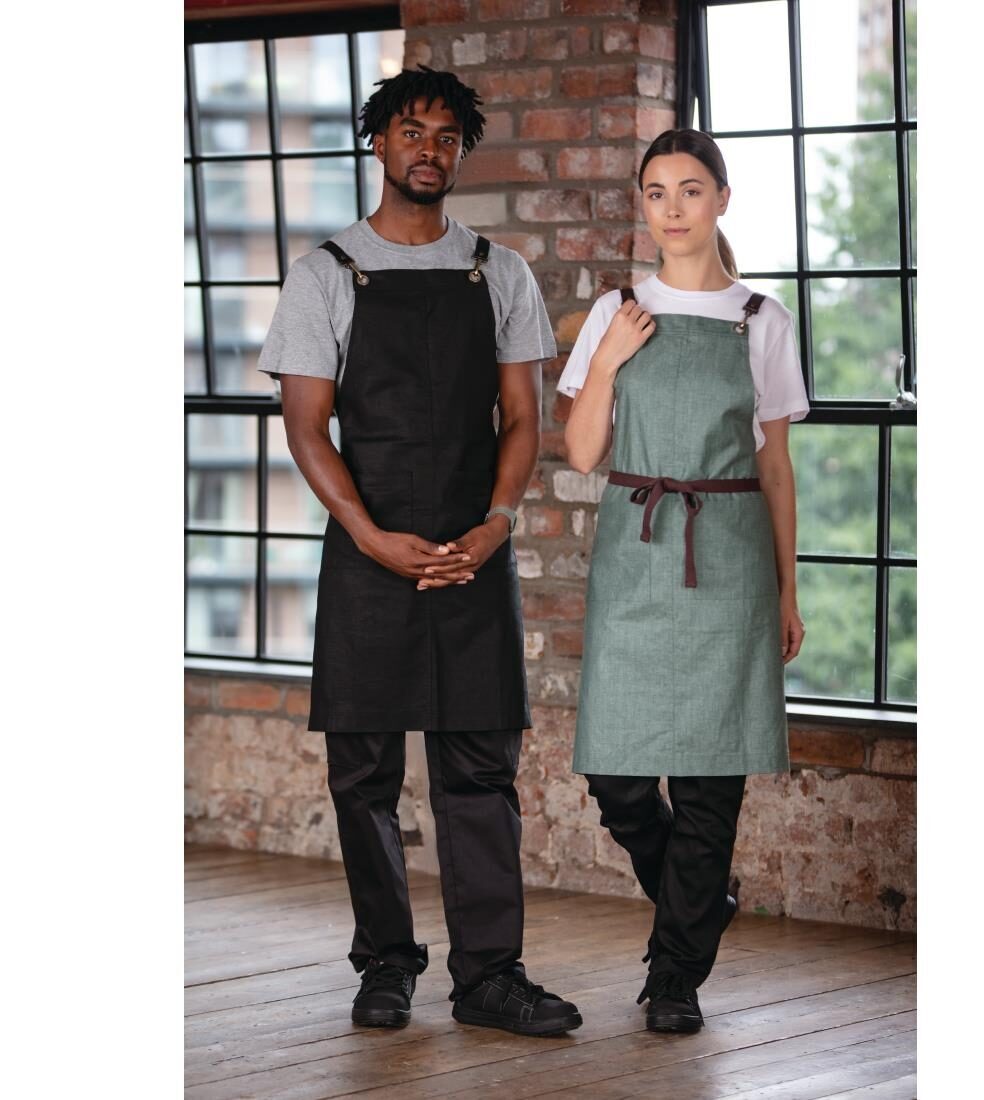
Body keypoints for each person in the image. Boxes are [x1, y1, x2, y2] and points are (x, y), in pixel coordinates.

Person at [258, 65, 582, 1037]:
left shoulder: (500, 272)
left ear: (460, 152)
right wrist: (370, 537)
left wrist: (497, 521)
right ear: (379, 142)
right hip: (367, 551)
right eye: (412, 132)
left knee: (480, 772)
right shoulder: (324, 273)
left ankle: (490, 976)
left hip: (473, 552)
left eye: (446, 136)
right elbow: (307, 428)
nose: (428, 150)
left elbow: (522, 418)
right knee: (362, 776)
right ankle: (386, 965)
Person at [557, 128, 808, 1034]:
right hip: (637, 547)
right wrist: (609, 360)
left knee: (710, 781)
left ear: (722, 200)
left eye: (691, 190)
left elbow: (776, 467)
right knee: (617, 775)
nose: (673, 209)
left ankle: (675, 979)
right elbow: (582, 452)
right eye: (657, 192)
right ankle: (699, 903)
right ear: (644, 203)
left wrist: (787, 589)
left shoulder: (761, 319)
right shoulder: (617, 310)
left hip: (729, 554)